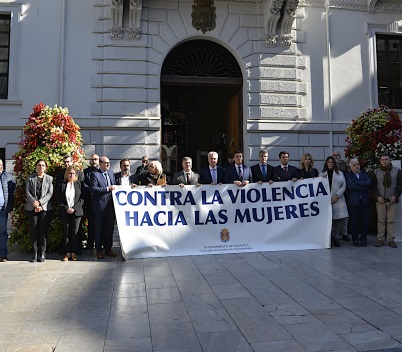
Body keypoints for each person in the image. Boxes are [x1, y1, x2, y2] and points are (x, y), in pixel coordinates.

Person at [25, 159, 53, 262]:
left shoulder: (49, 179)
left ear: (45, 167)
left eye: (43, 165)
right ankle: (35, 253)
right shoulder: (30, 178)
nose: (41, 167)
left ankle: (42, 253)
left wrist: (40, 203)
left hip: (44, 208)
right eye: (39, 165)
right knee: (34, 230)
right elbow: (27, 192)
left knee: (43, 231)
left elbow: (50, 193)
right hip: (32, 208)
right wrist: (35, 203)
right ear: (36, 167)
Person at [372, 153, 402, 248]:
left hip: (392, 200)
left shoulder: (397, 171)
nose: (384, 161)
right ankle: (380, 239)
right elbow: (373, 186)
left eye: (386, 159)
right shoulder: (376, 171)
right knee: (380, 220)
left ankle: (390, 240)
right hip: (380, 200)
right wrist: (377, 196)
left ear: (390, 160)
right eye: (382, 160)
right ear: (380, 161)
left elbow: (400, 185)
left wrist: (395, 196)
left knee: (391, 220)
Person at [91, 156, 117, 259]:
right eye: (106, 163)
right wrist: (107, 188)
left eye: (109, 163)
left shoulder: (111, 173)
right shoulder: (95, 174)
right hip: (99, 207)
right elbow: (93, 188)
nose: (108, 165)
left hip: (110, 206)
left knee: (109, 228)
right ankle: (99, 250)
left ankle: (108, 248)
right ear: (100, 163)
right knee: (99, 229)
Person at [57, 166, 85, 261]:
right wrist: (66, 208)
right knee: (66, 232)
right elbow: (58, 198)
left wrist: (74, 208)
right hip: (65, 212)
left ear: (76, 175)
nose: (71, 175)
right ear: (66, 174)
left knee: (75, 232)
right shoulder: (62, 184)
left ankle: (73, 253)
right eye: (69, 173)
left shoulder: (79, 184)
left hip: (76, 212)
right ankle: (67, 253)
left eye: (73, 173)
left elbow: (82, 198)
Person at [320, 156, 348, 247]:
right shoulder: (322, 174)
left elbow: (344, 185)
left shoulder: (340, 173)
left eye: (332, 162)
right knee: (328, 220)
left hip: (338, 199)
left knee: (338, 220)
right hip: (326, 200)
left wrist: (337, 195)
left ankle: (336, 238)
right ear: (326, 163)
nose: (330, 164)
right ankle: (328, 238)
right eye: (329, 162)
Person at [345, 158, 371, 247]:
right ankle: (355, 239)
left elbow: (368, 183)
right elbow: (351, 186)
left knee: (365, 222)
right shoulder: (348, 175)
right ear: (350, 167)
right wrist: (361, 184)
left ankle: (363, 239)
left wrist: (357, 182)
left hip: (364, 202)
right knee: (354, 222)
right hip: (353, 202)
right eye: (354, 165)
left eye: (358, 164)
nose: (357, 166)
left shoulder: (364, 174)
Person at [0, 159, 16, 262]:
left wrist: (9, 207)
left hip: (2, 209)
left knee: (2, 232)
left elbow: (12, 192)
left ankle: (3, 255)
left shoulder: (8, 176)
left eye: (0, 164)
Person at [83, 154, 99, 251]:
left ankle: (100, 243)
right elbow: (84, 185)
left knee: (100, 225)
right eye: (92, 159)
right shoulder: (86, 172)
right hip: (90, 202)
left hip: (100, 202)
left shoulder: (101, 171)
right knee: (91, 224)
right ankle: (90, 244)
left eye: (96, 159)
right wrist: (92, 190)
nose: (94, 161)